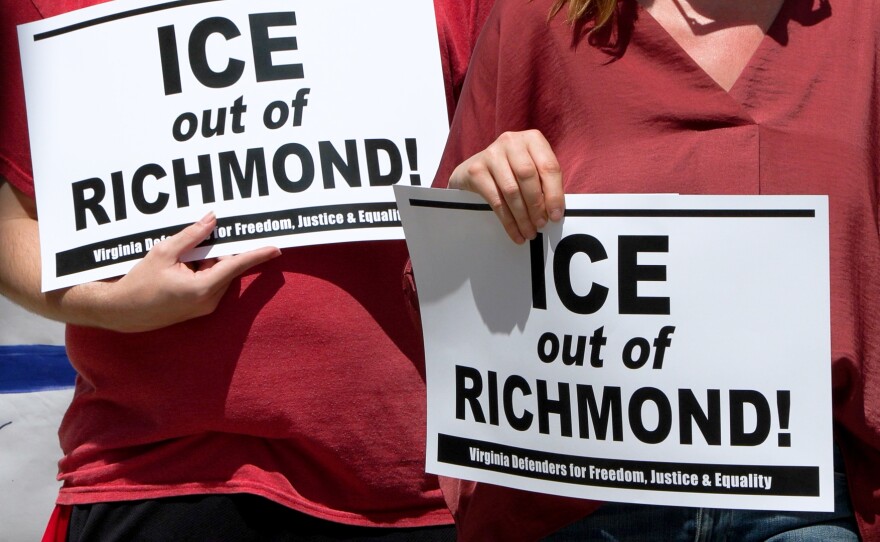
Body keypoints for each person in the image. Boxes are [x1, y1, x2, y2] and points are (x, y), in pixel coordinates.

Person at [0, 0, 493, 540]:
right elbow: (15, 223)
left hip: (403, 474)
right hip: (157, 470)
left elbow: (536, 158)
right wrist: (109, 303)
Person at [430, 0, 879, 539]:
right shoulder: (538, 17)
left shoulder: (865, 25)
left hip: (811, 495)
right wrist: (477, 200)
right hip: (582, 493)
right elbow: (442, 292)